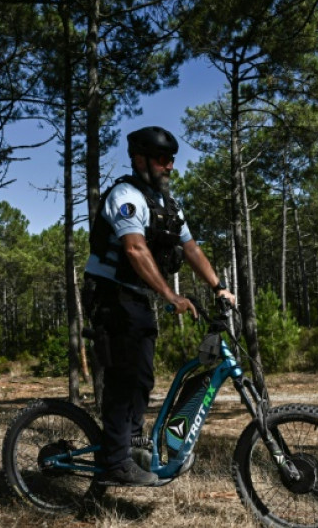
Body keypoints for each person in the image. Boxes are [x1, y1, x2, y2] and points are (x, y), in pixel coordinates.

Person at [83, 126, 237, 486]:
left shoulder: (166, 204)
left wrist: (219, 287)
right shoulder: (126, 197)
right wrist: (171, 295)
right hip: (108, 293)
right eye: (163, 160)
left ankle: (133, 442)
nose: (170, 167)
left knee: (143, 374)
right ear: (140, 160)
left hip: (134, 296)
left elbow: (191, 248)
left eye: (172, 161)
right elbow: (135, 249)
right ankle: (116, 462)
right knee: (123, 376)